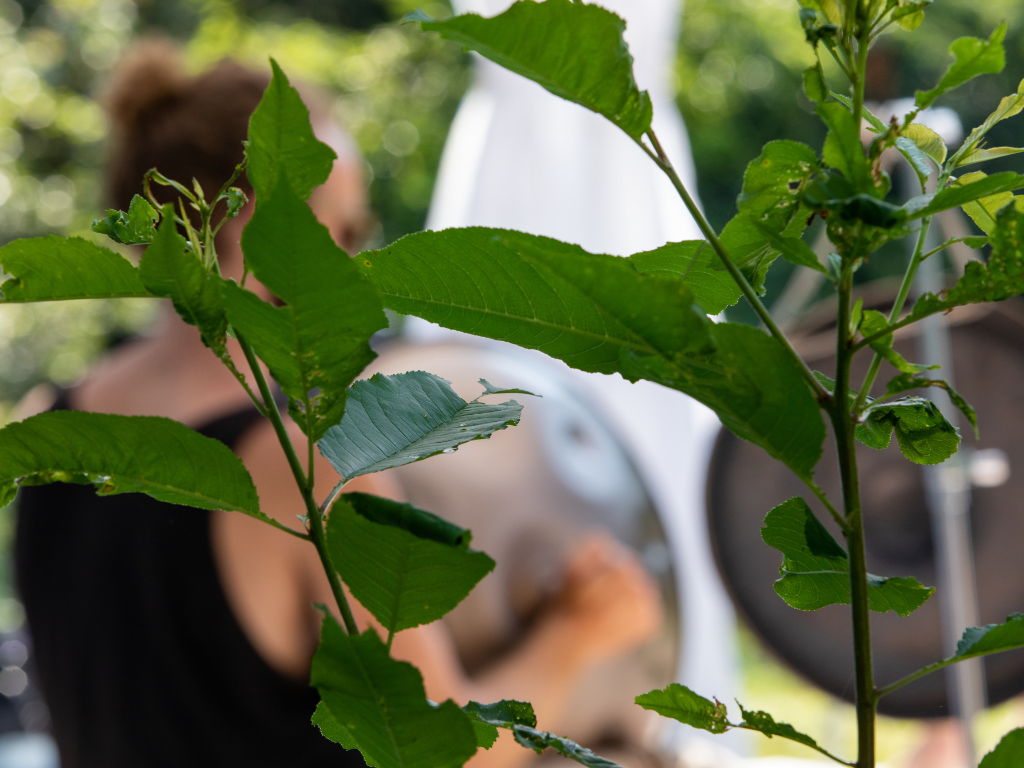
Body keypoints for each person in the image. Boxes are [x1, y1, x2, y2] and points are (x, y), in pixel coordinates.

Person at [13, 42, 663, 768]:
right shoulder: (304, 468)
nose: (357, 266)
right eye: (345, 232)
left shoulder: (49, 433)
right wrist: (579, 631)